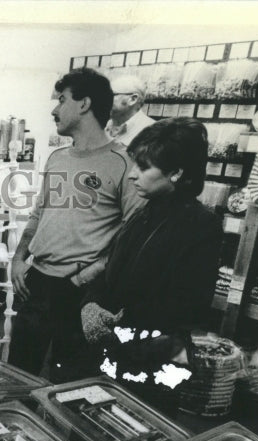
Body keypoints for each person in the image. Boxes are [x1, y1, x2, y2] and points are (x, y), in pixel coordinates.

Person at [8, 67, 144, 381]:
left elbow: (132, 235)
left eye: (62, 100)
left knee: (68, 381)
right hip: (36, 281)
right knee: (17, 371)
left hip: (80, 290)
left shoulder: (125, 162)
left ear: (84, 104)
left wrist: (86, 277)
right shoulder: (57, 158)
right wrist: (18, 258)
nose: (54, 109)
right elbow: (39, 213)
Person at [80, 118, 222, 413]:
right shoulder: (144, 212)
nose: (132, 176)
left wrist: (119, 317)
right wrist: (91, 304)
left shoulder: (200, 224)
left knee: (138, 438)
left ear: (176, 173)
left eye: (143, 168)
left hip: (158, 357)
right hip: (119, 348)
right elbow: (113, 271)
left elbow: (192, 304)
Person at [106, 75, 155, 146]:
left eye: (111, 94)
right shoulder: (100, 126)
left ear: (133, 99)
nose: (103, 99)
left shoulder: (153, 132)